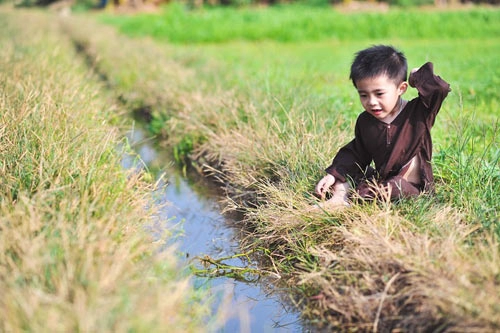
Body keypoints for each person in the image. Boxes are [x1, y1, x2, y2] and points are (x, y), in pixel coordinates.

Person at [314, 45, 451, 209]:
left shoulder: (419, 112)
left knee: (393, 188)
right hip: (382, 179)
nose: (371, 102)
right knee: (349, 174)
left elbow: (439, 89)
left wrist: (417, 75)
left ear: (401, 88)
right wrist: (334, 174)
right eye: (363, 95)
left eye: (379, 94)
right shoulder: (366, 121)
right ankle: (339, 197)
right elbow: (357, 152)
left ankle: (352, 199)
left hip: (411, 188)